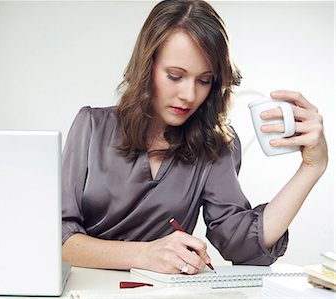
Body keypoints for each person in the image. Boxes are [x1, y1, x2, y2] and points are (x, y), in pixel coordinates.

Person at [61, 0, 328, 275]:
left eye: (204, 80)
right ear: (147, 66)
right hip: (82, 288)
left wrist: (311, 168)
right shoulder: (91, 127)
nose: (189, 96)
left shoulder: (216, 146)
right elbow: (59, 238)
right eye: (175, 76)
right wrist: (144, 253)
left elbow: (241, 244)